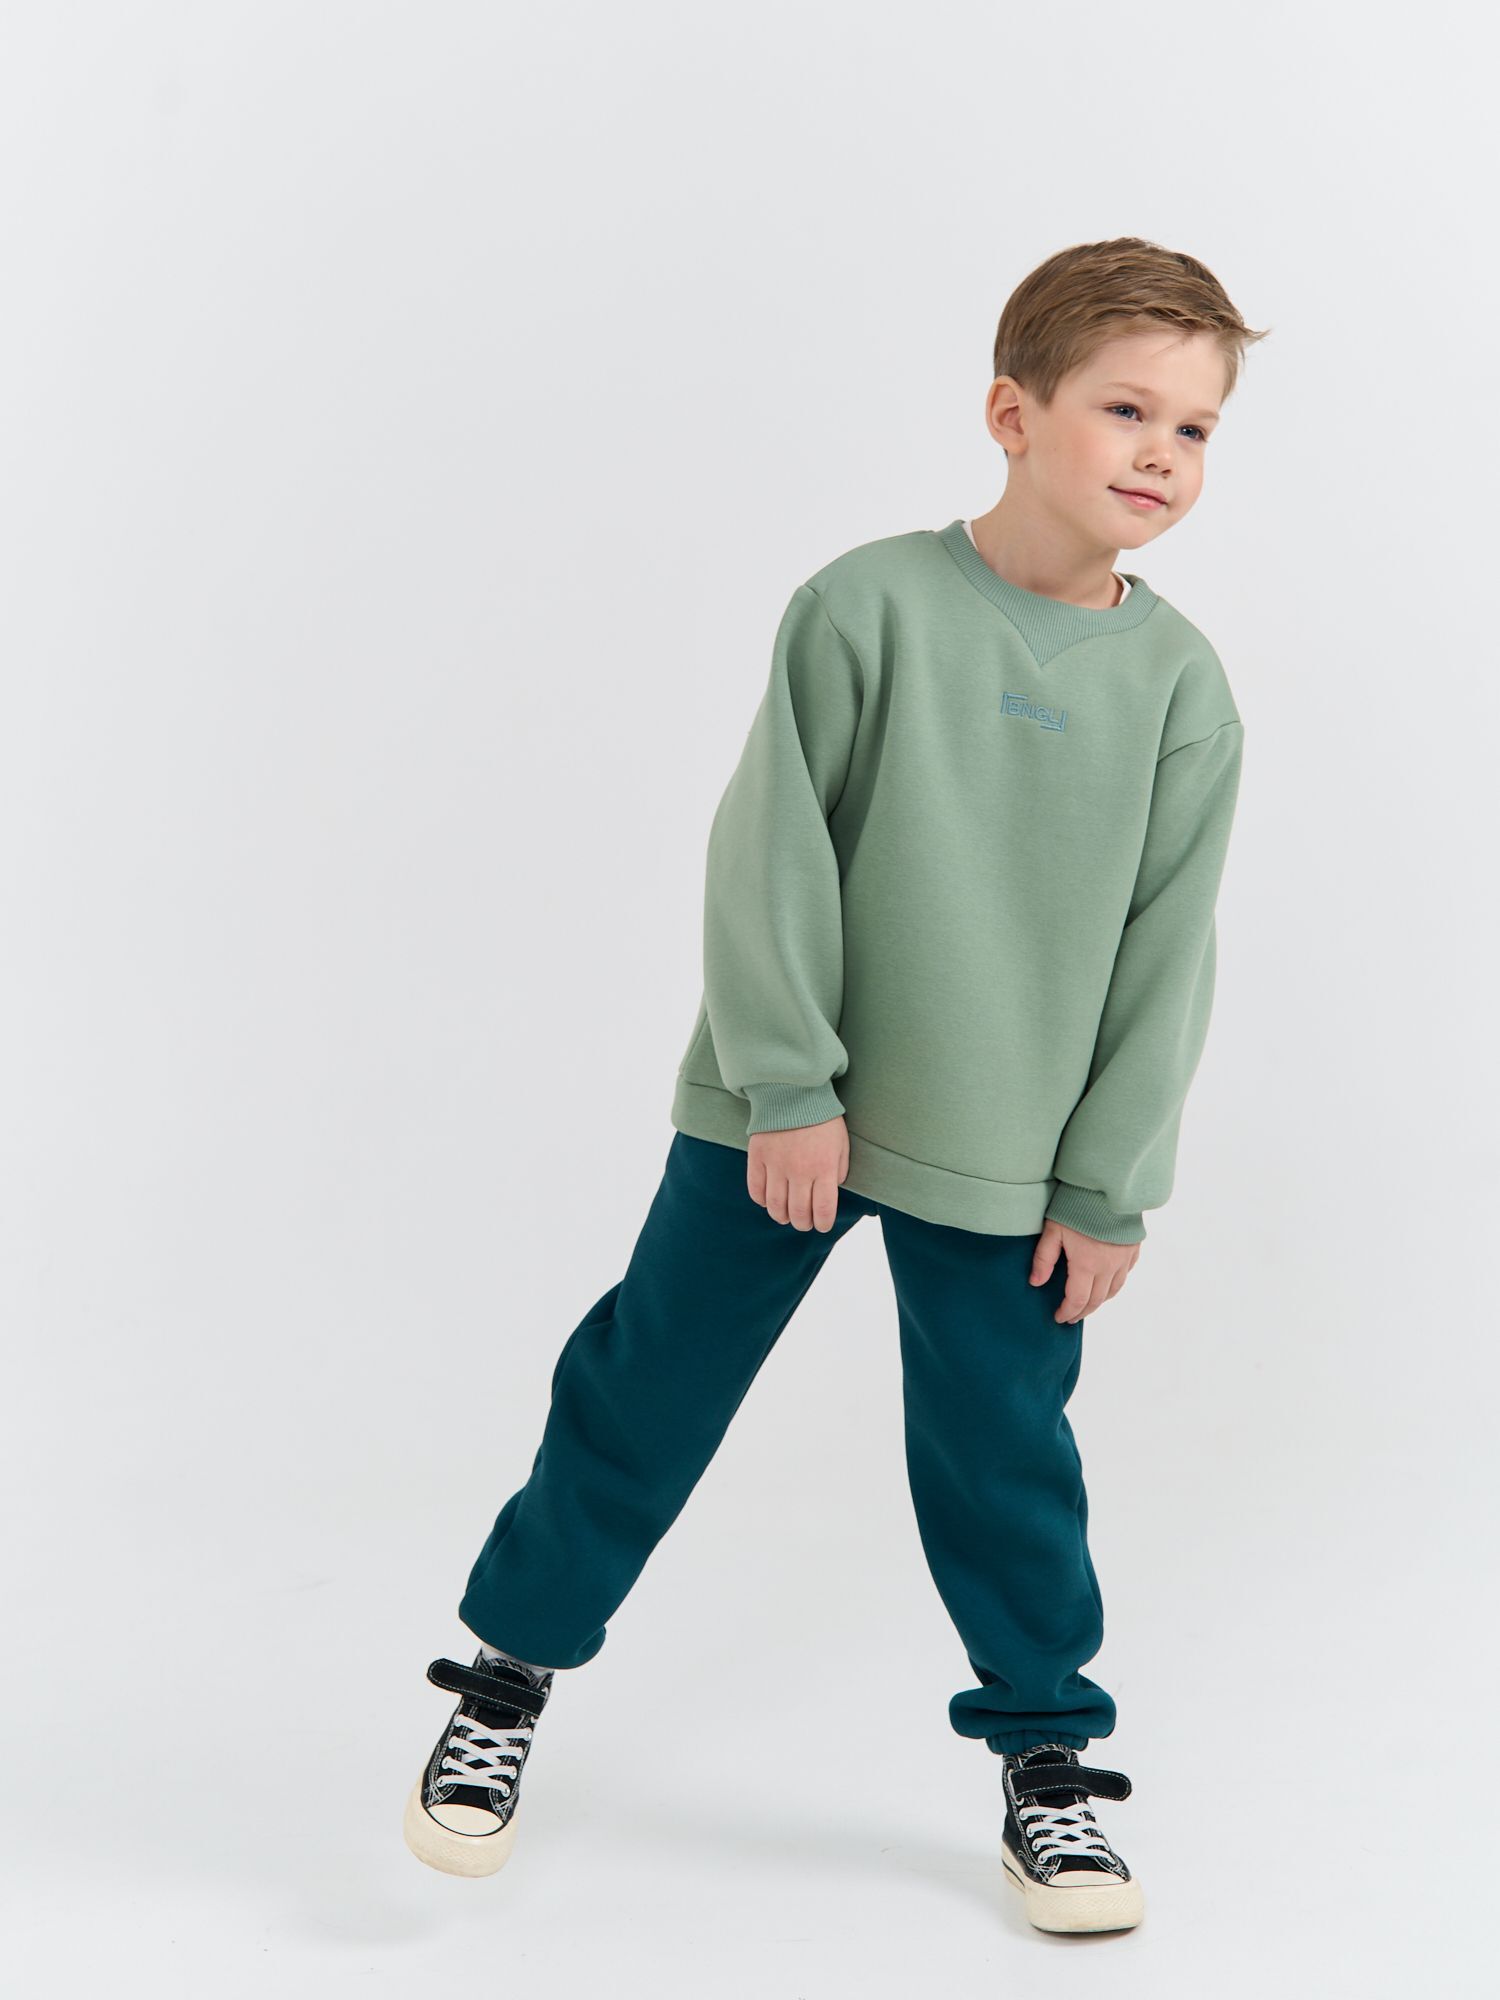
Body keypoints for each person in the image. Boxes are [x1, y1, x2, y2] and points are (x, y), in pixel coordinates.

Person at [401, 234, 1264, 1936]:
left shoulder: (1183, 690)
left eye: (1197, 428)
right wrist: (790, 1086)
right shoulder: (864, 608)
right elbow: (771, 856)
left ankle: (1048, 1761)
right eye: (1127, 410)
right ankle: (504, 1678)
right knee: (646, 1390)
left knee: (1005, 1461)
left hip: (1011, 1154)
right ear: (1013, 415)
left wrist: (1109, 1186)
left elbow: (1170, 953)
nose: (1163, 453)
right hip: (783, 1121)